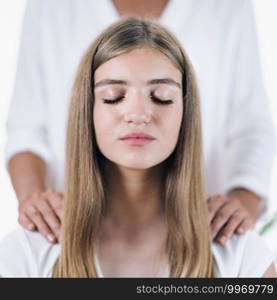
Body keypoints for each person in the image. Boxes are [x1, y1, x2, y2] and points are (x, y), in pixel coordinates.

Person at [0, 18, 276, 278]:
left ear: (185, 113)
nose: (138, 113)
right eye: (113, 97)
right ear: (88, 112)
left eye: (162, 97)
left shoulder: (240, 255)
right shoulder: (28, 252)